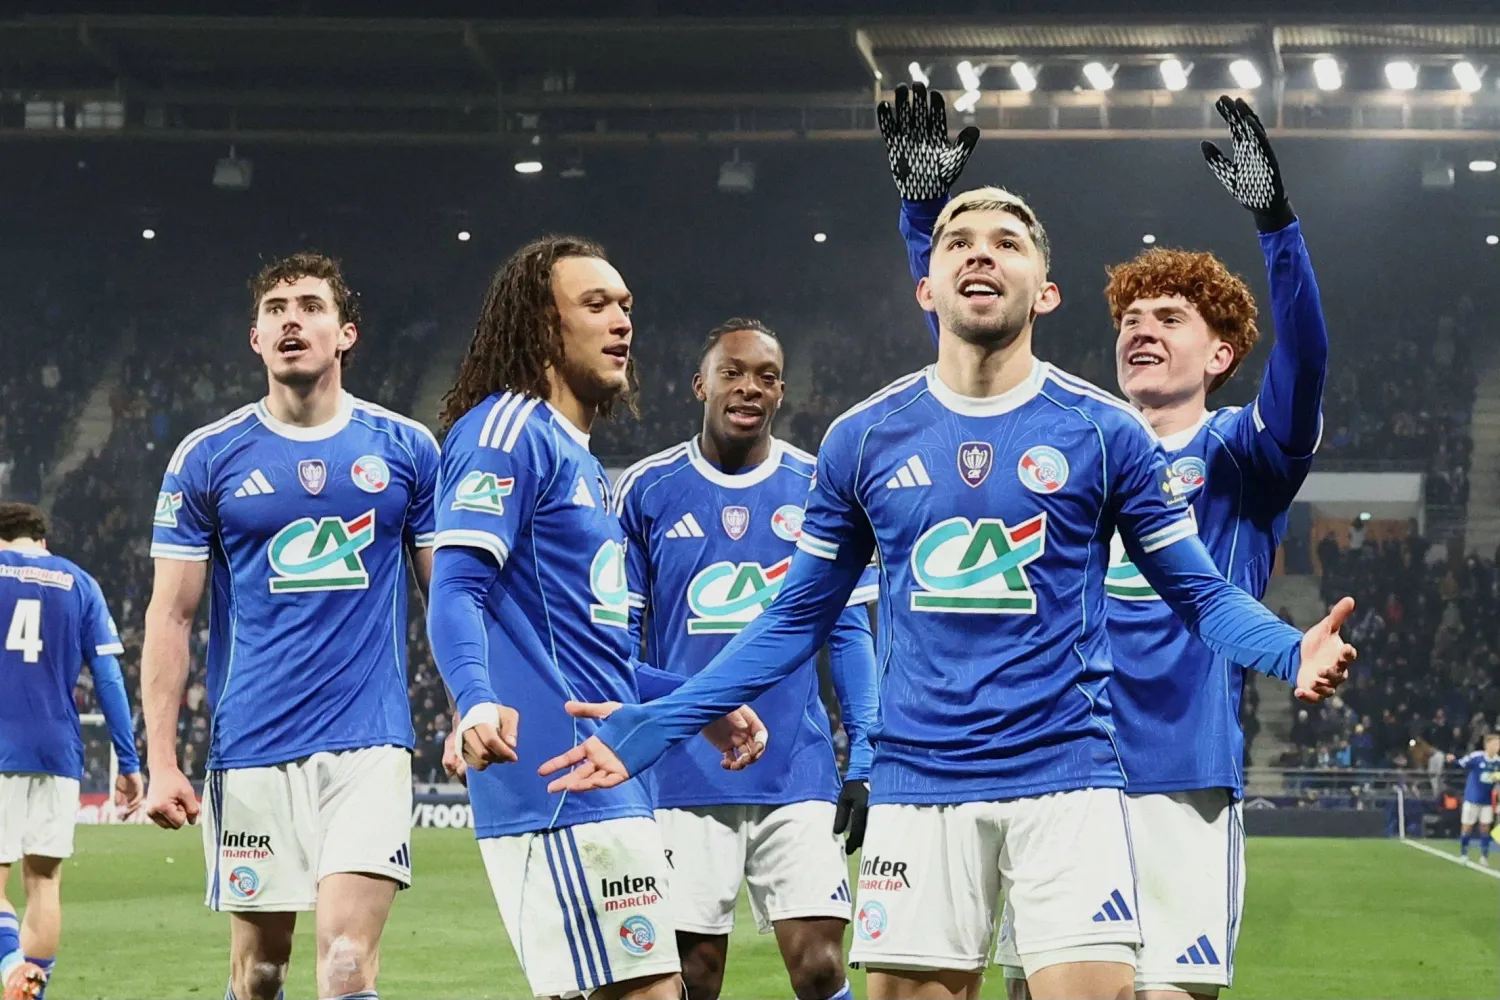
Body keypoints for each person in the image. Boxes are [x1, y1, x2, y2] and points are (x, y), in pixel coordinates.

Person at [539, 180, 1356, 1000]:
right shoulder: (862, 439)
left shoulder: (1105, 434)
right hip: (916, 786)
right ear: (926, 288)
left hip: (1069, 780)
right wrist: (658, 723)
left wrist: (1289, 650)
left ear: (1046, 291)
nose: (981, 253)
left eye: (1007, 242)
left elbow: (1202, 595)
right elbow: (794, 622)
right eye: (958, 241)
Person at [889, 86, 1329, 999]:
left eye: (1169, 319)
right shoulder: (1078, 444)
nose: (1141, 330)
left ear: (1221, 356)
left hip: (1177, 771)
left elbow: (1306, 363)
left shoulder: (1243, 454)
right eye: (1131, 319)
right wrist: (922, 219)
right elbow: (964, 345)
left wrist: (1277, 227)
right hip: (1053, 765)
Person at [426, 235, 766, 1000]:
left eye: (625, 306)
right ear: (542, 325)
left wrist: (696, 706)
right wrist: (474, 700)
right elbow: (455, 588)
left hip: (609, 775)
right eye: (595, 304)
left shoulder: (581, 462)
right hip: (558, 783)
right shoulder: (506, 431)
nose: (621, 321)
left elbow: (595, 654)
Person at [141, 253, 439, 1000]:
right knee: (262, 972)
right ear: (256, 338)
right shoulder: (207, 457)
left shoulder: (405, 449)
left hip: (369, 741)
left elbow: (449, 596)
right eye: (275, 310)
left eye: (309, 306)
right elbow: (171, 615)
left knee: (346, 962)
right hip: (251, 744)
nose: (291, 320)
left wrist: (474, 704)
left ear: (346, 333)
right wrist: (162, 761)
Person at [614, 318, 878, 1000]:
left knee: (822, 966)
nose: (749, 388)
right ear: (699, 385)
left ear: (782, 392)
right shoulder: (647, 488)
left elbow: (848, 632)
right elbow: (615, 645)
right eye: (732, 373)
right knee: (695, 976)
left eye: (766, 377)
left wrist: (865, 753)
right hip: (683, 770)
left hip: (798, 766)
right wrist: (687, 712)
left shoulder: (818, 484)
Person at [0, 503, 142, 1000]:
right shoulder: (79, 582)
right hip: (59, 752)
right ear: (42, 542)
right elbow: (108, 677)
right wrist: (129, 761)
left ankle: (11, 968)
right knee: (44, 883)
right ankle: (29, 992)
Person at [1449, 733, 1500, 866]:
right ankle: (1464, 854)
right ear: (1487, 745)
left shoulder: (1498, 762)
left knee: (1485, 827)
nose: (1497, 746)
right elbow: (1461, 763)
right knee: (1467, 827)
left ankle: (1484, 856)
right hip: (1472, 798)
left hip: (1487, 801)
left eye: (1498, 744)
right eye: (1495, 743)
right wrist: (1452, 760)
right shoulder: (1477, 757)